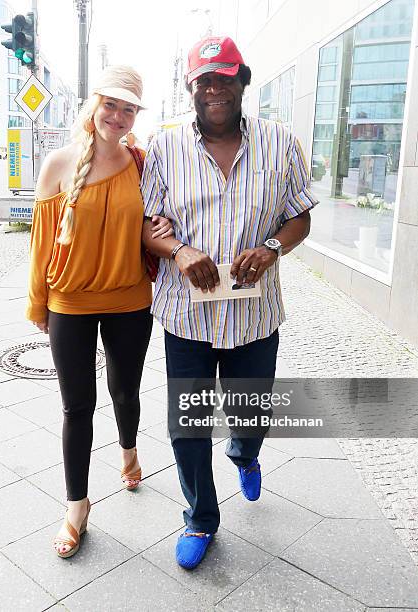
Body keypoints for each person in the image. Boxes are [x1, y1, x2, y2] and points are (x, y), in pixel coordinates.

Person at [141, 35, 319, 569]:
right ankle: (199, 518)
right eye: (204, 80)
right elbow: (148, 227)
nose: (214, 88)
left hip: (254, 314)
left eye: (225, 77)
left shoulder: (280, 141)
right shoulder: (165, 146)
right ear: (191, 88)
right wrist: (177, 249)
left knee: (250, 413)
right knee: (188, 424)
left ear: (243, 80)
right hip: (187, 316)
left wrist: (270, 249)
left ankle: (245, 453)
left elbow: (300, 215)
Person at [26, 65, 173, 559]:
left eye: (128, 108)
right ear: (94, 105)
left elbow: (159, 221)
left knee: (124, 390)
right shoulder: (59, 163)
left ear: (135, 117)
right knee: (76, 407)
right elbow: (41, 243)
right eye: (110, 104)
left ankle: (128, 450)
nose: (117, 114)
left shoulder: (143, 163)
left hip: (131, 299)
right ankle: (77, 506)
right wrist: (38, 303)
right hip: (69, 300)